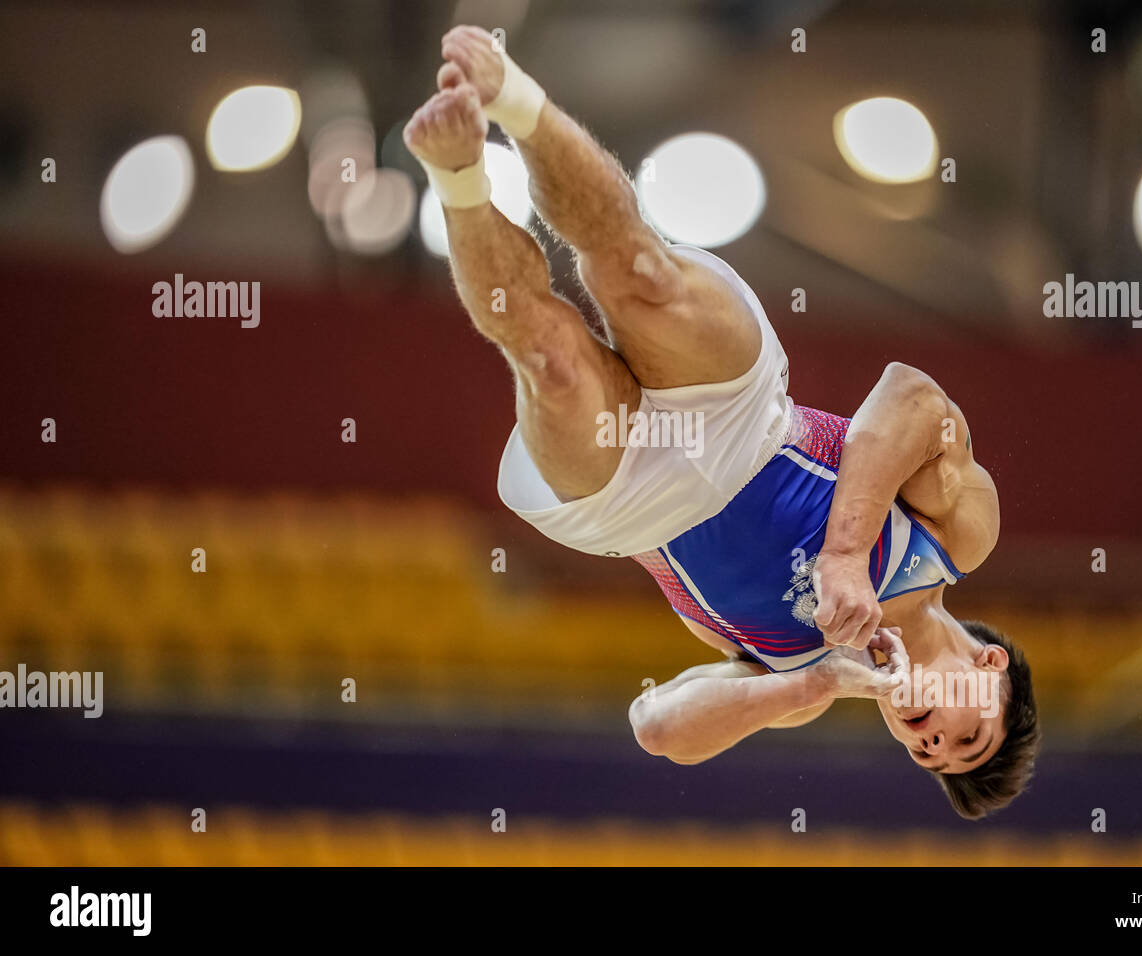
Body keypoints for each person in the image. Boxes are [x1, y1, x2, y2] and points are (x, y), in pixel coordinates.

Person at [404, 26, 1040, 819]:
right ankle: (515, 99)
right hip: (745, 420)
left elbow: (657, 727)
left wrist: (811, 682)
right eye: (967, 735)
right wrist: (847, 554)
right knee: (636, 271)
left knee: (549, 358)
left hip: (631, 505)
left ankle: (458, 176)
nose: (933, 741)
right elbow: (912, 397)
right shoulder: (958, 538)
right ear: (988, 669)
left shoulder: (801, 683)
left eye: (928, 757)